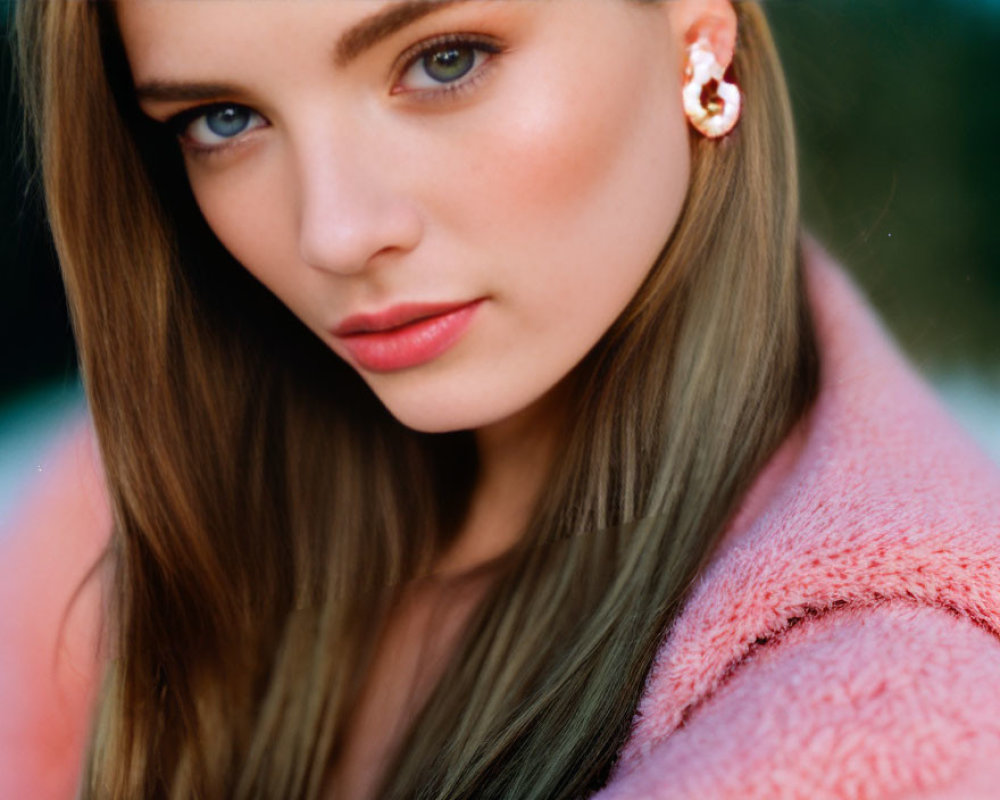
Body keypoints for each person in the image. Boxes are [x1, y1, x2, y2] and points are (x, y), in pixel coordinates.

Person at [4, 1, 999, 798]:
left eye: (443, 60)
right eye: (223, 119)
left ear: (697, 23)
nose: (335, 233)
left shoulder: (893, 703)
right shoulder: (122, 520)